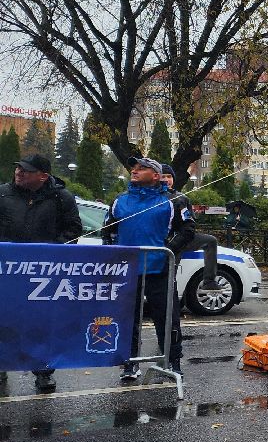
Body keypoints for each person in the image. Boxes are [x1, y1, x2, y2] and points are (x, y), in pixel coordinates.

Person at [0, 153, 83, 392]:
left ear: (43, 176)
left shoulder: (62, 198)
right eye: (18, 168)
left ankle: (44, 371)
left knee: (42, 323)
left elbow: (73, 230)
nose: (19, 172)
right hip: (7, 272)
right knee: (4, 319)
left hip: (43, 274)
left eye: (26, 170)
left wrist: (52, 252)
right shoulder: (3, 193)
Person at [104, 156, 192, 379]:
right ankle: (129, 363)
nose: (135, 170)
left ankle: (172, 361)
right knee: (127, 318)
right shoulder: (119, 201)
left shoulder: (174, 201)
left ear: (156, 175)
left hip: (159, 269)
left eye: (142, 168)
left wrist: (167, 250)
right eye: (133, 167)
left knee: (166, 317)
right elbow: (108, 230)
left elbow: (188, 230)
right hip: (127, 271)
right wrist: (113, 254)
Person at [158, 165, 219, 290]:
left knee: (211, 241)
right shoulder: (153, 196)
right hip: (163, 241)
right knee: (168, 278)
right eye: (163, 176)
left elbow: (189, 223)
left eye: (169, 176)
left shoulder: (181, 197)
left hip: (181, 239)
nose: (166, 179)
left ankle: (209, 281)